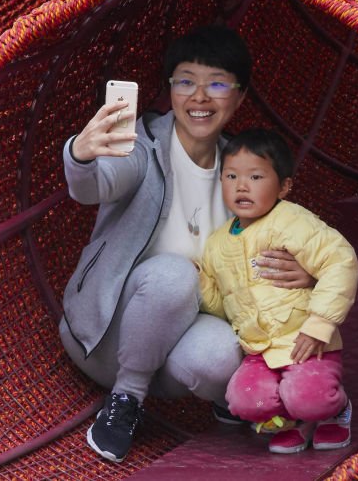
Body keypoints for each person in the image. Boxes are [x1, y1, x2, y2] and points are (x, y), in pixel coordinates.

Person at [59, 24, 314, 464]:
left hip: (176, 352)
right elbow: (98, 184)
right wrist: (81, 156)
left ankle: (219, 394)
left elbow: (281, 241)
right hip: (105, 338)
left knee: (224, 356)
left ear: (238, 96)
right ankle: (126, 401)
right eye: (185, 82)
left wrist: (305, 273)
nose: (199, 97)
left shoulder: (244, 168)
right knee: (176, 274)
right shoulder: (141, 144)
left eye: (216, 83)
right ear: (170, 91)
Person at [199, 128, 358, 454]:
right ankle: (288, 423)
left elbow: (340, 262)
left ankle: (335, 409)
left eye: (255, 176)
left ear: (284, 187)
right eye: (231, 176)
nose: (241, 186)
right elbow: (219, 306)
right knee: (244, 400)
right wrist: (198, 281)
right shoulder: (216, 243)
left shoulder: (291, 221)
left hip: (308, 343)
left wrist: (319, 326)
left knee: (309, 397)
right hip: (259, 351)